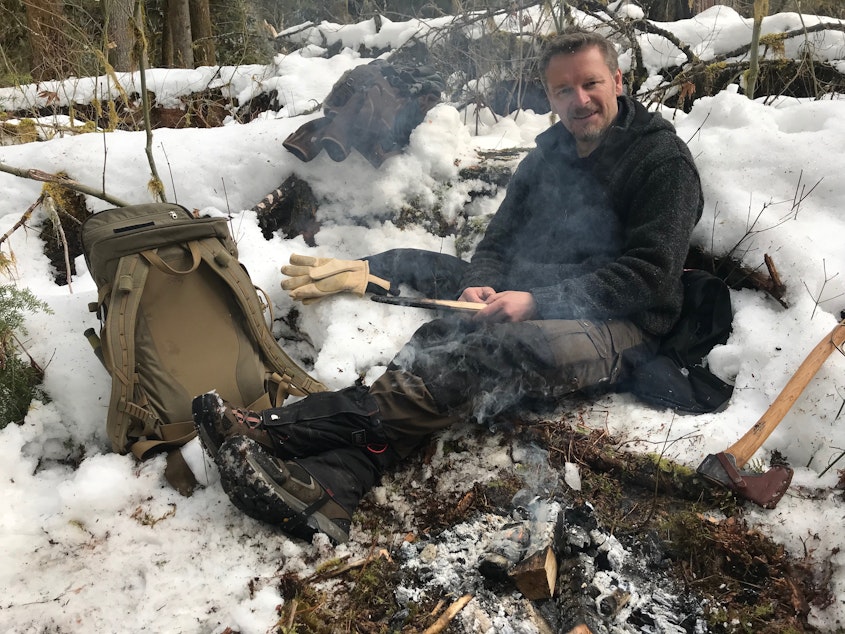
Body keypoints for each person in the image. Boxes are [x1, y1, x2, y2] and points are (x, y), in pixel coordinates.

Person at [192, 29, 704, 545]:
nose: (580, 100)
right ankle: (333, 486)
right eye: (563, 90)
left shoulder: (661, 161)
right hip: (540, 303)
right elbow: (498, 239)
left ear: (617, 80)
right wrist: (481, 282)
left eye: (591, 83)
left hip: (623, 322)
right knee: (438, 340)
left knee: (498, 351)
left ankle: (281, 429)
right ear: (549, 97)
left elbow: (651, 273)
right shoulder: (547, 157)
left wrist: (538, 301)